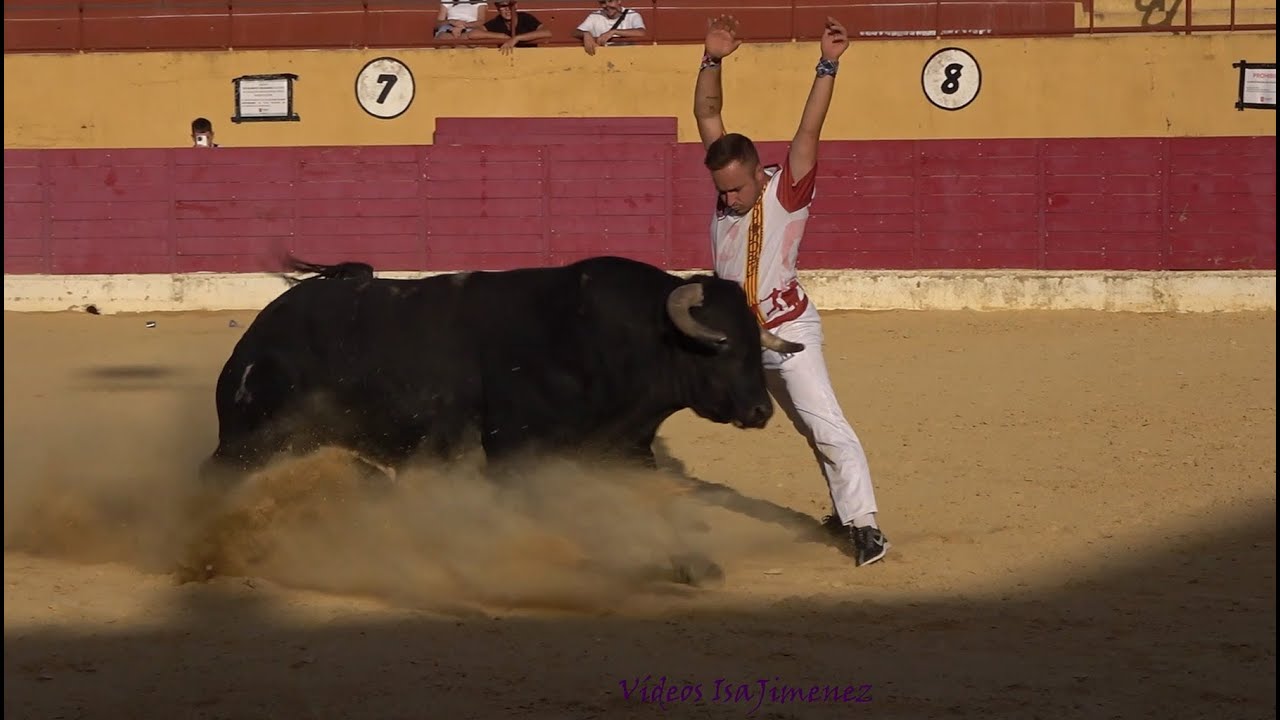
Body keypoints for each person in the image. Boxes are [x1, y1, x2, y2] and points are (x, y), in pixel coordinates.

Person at [691, 14, 890, 567]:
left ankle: (867, 528)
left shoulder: (787, 192)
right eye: (721, 192)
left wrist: (826, 65)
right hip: (744, 338)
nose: (727, 200)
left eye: (736, 190)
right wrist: (711, 59)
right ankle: (845, 513)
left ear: (759, 174)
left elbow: (808, 131)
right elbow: (706, 114)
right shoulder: (730, 183)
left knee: (827, 427)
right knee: (808, 429)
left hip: (789, 333)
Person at [470, 0, 551, 55]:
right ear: (497, 8)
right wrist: (502, 36)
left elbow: (547, 32)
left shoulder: (525, 18)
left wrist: (516, 38)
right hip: (506, 61)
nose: (507, 9)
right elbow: (473, 34)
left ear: (516, 6)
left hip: (529, 58)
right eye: (503, 6)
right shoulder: (497, 21)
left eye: (510, 6)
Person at [572, 0, 647, 56]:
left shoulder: (632, 15)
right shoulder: (595, 16)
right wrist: (586, 34)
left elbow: (641, 33)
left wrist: (613, 32)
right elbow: (576, 32)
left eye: (610, 1)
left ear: (619, 1)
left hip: (627, 58)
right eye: (603, 2)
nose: (607, 5)